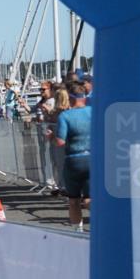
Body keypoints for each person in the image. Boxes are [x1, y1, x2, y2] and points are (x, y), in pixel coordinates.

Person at [51, 90, 91, 231]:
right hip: (92, 158)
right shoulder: (93, 111)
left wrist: (51, 137)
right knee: (89, 199)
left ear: (71, 98)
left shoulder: (66, 116)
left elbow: (60, 141)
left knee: (74, 200)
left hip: (74, 160)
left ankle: (77, 232)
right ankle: (103, 225)